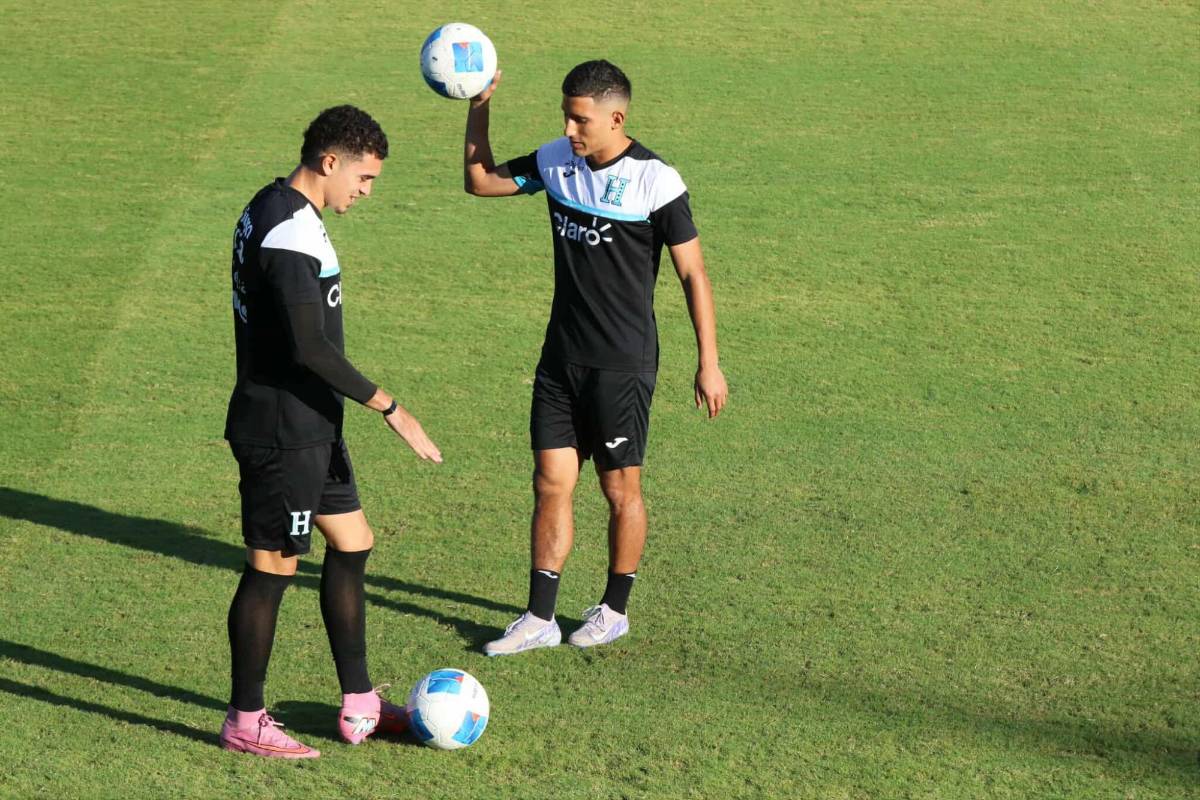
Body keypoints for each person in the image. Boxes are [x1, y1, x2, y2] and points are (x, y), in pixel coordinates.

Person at [463, 60, 728, 655]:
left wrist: (708, 361)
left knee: (619, 489)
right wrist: (479, 106)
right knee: (550, 483)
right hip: (561, 359)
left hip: (622, 365)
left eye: (580, 119)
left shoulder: (655, 181)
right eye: (566, 115)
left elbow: (693, 272)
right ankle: (540, 617)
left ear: (616, 117)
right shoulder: (557, 160)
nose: (569, 129)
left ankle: (613, 610)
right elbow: (480, 181)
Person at [220, 105, 442, 758]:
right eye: (363, 178)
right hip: (281, 430)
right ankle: (245, 720)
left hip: (313, 425)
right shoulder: (288, 233)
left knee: (353, 541)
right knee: (272, 567)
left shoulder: (274, 205)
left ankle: (360, 701)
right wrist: (392, 408)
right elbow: (309, 347)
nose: (366, 191)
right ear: (329, 162)